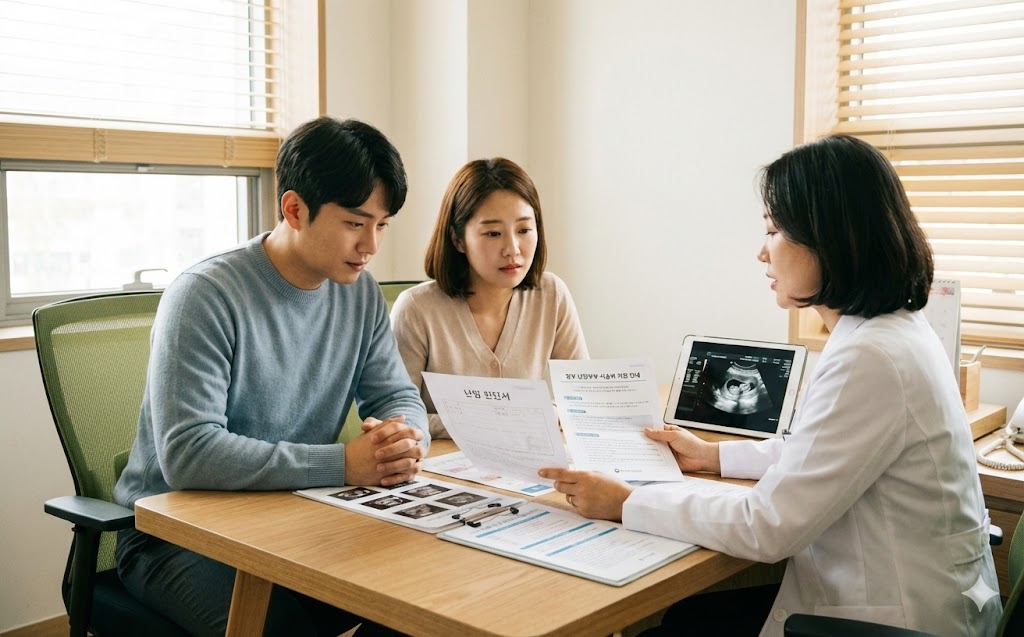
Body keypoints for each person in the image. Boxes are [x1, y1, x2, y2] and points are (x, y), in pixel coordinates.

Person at [540, 135, 1001, 636]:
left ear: (831, 237)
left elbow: (768, 527)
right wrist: (713, 456)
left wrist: (626, 502)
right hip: (909, 597)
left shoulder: (872, 356)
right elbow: (820, 452)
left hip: (893, 624)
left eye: (775, 230)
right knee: (686, 619)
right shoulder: (892, 330)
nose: (762, 252)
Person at [112, 116, 429, 637]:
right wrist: (342, 464)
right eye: (355, 223)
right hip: (176, 537)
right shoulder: (204, 296)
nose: (371, 245)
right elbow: (189, 453)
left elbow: (394, 392)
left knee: (420, 603)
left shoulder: (359, 294)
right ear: (294, 209)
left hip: (296, 517)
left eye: (382, 224)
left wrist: (403, 434)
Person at [390, 157, 589, 438]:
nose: (512, 249)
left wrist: (550, 413)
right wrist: (495, 422)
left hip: (524, 470)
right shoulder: (417, 309)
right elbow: (396, 418)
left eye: (524, 230)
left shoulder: (551, 294)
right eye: (493, 233)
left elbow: (583, 401)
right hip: (439, 469)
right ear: (458, 240)